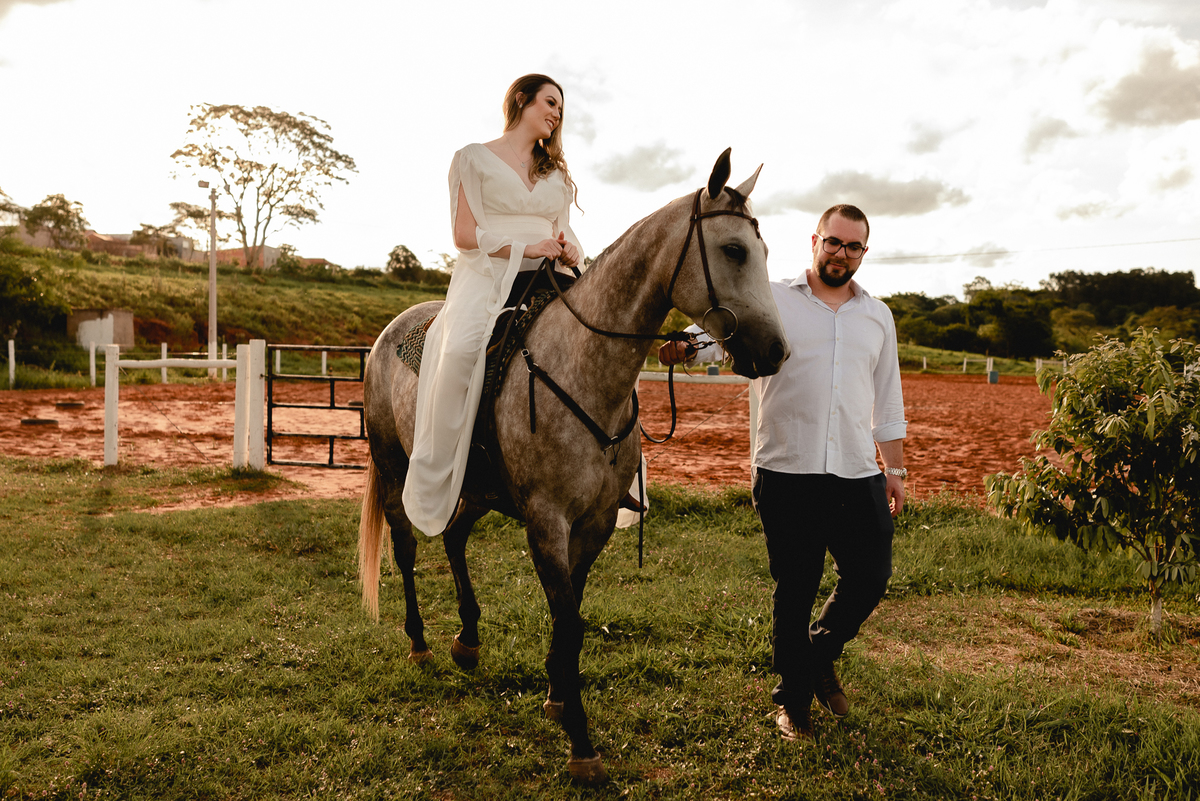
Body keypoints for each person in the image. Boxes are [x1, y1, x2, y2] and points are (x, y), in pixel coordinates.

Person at [660, 203, 906, 742]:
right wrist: (685, 346)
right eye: (834, 242)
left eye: (854, 246)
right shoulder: (769, 295)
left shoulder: (877, 316)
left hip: (857, 468)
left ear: (865, 252)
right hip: (787, 468)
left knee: (870, 575)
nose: (842, 253)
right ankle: (792, 700)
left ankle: (816, 656)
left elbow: (888, 398)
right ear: (815, 240)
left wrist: (897, 469)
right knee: (795, 587)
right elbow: (711, 333)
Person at [403, 74, 585, 537]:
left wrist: (569, 250)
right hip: (487, 277)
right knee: (462, 353)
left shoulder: (557, 174)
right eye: (549, 102)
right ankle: (451, 468)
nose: (556, 113)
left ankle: (611, 469)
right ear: (520, 100)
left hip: (548, 274)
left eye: (560, 108)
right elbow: (464, 236)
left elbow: (564, 231)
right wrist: (527, 247)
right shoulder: (473, 158)